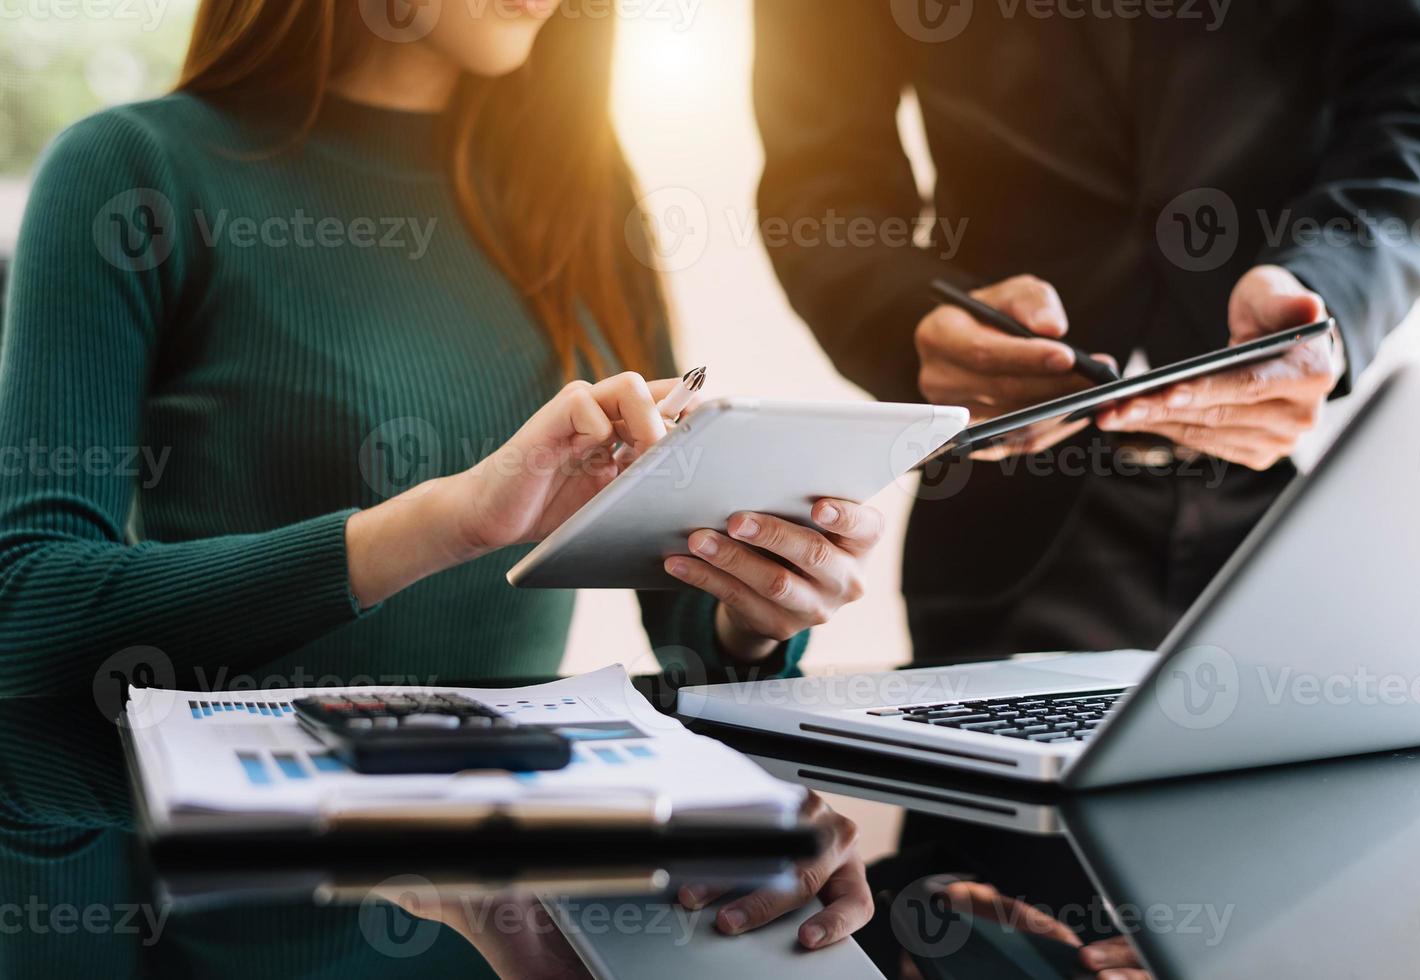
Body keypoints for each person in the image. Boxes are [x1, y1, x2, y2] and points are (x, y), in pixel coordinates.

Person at [0, 0, 875, 950]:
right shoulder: (132, 170)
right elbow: (24, 606)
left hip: (538, 914)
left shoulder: (580, 190)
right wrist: (448, 520)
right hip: (222, 926)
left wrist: (753, 610)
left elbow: (685, 628)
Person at [753, 0, 1420, 662]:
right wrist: (909, 323)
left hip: (1329, 484)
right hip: (1016, 504)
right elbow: (819, 173)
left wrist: (1332, 288)